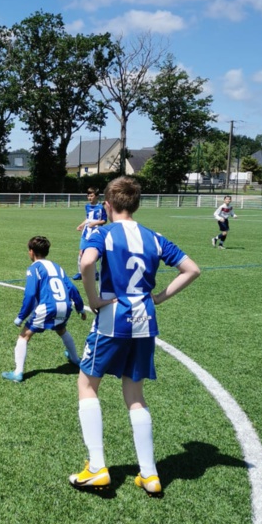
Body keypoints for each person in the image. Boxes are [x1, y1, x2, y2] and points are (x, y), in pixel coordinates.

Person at [69, 176, 200, 496]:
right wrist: (158, 298)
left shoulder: (103, 232)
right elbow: (192, 270)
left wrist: (94, 298)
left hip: (114, 317)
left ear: (108, 205)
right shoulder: (154, 237)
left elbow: (87, 262)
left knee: (87, 384)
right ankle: (150, 474)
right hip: (146, 320)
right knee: (135, 394)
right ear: (136, 204)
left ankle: (97, 467)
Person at [2, 235, 86, 383]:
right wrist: (80, 307)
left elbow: (30, 294)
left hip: (48, 307)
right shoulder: (57, 266)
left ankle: (18, 372)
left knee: (24, 336)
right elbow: (71, 287)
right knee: (61, 330)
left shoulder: (34, 268)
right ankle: (75, 359)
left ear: (31, 252)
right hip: (65, 306)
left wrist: (21, 316)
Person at [72, 187, 107, 280]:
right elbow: (87, 218)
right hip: (86, 232)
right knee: (81, 253)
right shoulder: (87, 206)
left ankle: (95, 273)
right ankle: (80, 272)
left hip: (95, 233)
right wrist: (81, 225)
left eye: (91, 196)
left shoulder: (101, 208)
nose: (89, 198)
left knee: (92, 253)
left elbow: (104, 220)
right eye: (88, 196)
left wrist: (95, 223)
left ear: (97, 196)